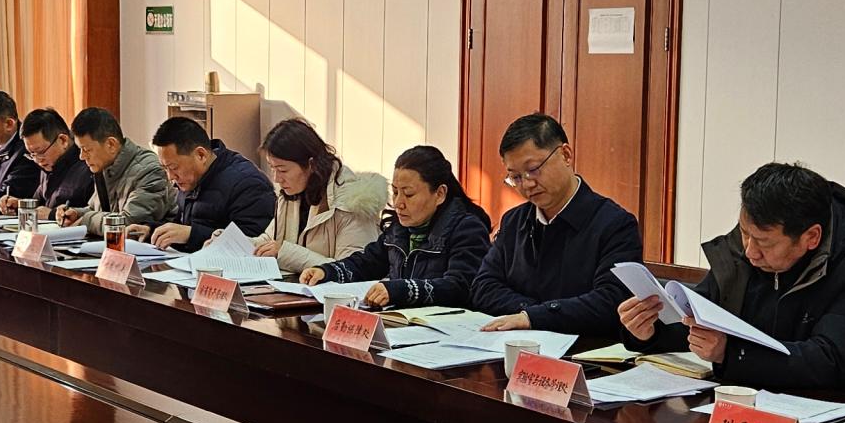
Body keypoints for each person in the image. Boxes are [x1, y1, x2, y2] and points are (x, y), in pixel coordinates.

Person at [617, 161, 845, 391]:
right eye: (745, 234)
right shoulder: (744, 250)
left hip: (824, 416)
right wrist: (650, 331)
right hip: (742, 401)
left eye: (764, 243)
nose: (750, 252)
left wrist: (731, 354)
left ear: (811, 237)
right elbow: (701, 319)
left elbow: (833, 360)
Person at [471, 114, 643, 336]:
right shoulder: (514, 221)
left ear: (566, 155)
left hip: (585, 349)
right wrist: (532, 313)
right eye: (516, 177)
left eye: (534, 169)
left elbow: (611, 301)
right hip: (517, 343)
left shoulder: (615, 224)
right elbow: (483, 286)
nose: (527, 184)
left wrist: (534, 316)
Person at [302, 145, 491, 310]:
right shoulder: (398, 228)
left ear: (440, 194)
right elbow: (367, 263)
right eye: (395, 192)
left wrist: (401, 290)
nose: (398, 203)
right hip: (403, 323)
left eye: (408, 194)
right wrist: (327, 271)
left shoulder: (467, 229)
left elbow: (459, 287)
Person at [253, 118, 386, 276]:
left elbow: (351, 270)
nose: (276, 178)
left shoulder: (352, 203)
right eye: (272, 168)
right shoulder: (291, 194)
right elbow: (269, 241)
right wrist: (236, 244)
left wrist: (285, 253)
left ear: (311, 164)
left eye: (282, 170)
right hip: (297, 286)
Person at [144, 115, 276, 252]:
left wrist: (191, 235)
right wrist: (151, 230)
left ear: (201, 155)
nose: (170, 177)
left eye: (174, 167)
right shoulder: (190, 179)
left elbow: (253, 242)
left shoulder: (248, 183)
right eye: (165, 168)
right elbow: (181, 228)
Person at [62, 107, 174, 228]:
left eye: (87, 150)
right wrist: (76, 214)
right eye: (80, 149)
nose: (81, 157)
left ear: (111, 144)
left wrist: (85, 220)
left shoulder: (148, 170)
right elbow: (97, 210)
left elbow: (128, 223)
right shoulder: (105, 167)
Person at [3, 108, 94, 216]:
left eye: (41, 152)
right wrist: (20, 205)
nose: (37, 160)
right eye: (32, 154)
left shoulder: (89, 165)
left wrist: (51, 215)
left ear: (63, 140)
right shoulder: (48, 165)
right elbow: (40, 205)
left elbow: (92, 214)